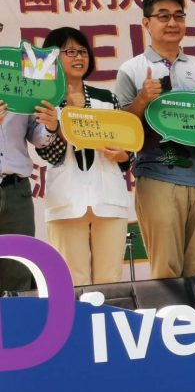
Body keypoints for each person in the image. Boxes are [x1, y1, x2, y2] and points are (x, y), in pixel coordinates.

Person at [114, 0, 195, 302]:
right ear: (146, 23)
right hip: (157, 175)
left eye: (178, 16)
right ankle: (172, 329)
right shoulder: (131, 69)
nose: (172, 23)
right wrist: (142, 100)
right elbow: (120, 129)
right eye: (163, 16)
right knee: (166, 268)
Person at [36, 27, 133, 286]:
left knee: (110, 281)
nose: (78, 57)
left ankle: (107, 316)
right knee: (71, 281)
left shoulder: (107, 99)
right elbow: (50, 154)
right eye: (69, 51)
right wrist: (67, 116)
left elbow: (127, 150)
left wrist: (123, 155)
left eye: (82, 51)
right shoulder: (45, 102)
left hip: (108, 198)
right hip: (66, 201)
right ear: (52, 58)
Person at [0, 92, 59, 293]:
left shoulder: (19, 83)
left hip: (17, 191)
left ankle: (17, 315)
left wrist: (50, 126)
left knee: (18, 271)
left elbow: (35, 132)